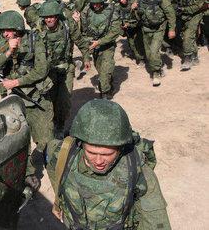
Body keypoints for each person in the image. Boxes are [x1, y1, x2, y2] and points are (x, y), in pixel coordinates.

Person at [46, 99, 171, 230]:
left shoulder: (137, 169)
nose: (99, 161)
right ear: (80, 143)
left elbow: (156, 219)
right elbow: (52, 165)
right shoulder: (64, 153)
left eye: (107, 154)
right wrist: (58, 200)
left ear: (120, 148)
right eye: (91, 152)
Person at [0, 10, 54, 189]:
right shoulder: (5, 43)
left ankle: (53, 166)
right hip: (16, 100)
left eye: (7, 30)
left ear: (16, 28)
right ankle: (29, 173)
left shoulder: (35, 40)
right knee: (19, 139)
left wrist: (16, 81)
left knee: (45, 139)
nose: (5, 34)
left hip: (36, 98)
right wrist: (9, 50)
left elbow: (41, 70)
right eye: (3, 31)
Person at [38, 1, 88, 139]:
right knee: (50, 100)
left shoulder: (68, 25)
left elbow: (80, 41)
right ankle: (51, 125)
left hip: (66, 68)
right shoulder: (38, 30)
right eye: (46, 17)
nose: (49, 19)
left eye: (52, 16)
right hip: (48, 71)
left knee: (64, 101)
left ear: (57, 16)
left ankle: (60, 125)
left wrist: (87, 57)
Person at [79, 0, 121, 99]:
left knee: (105, 71)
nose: (96, 6)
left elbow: (115, 31)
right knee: (100, 69)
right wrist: (87, 53)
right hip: (93, 46)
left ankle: (105, 94)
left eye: (99, 4)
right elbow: (83, 31)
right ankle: (108, 83)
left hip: (107, 45)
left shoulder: (112, 11)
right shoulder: (86, 11)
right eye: (94, 4)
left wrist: (100, 42)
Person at [134, 0, 176, 86]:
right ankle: (158, 66)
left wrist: (171, 29)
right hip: (146, 28)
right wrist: (133, 9)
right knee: (149, 54)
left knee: (153, 51)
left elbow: (170, 14)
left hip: (159, 28)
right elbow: (135, 15)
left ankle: (156, 72)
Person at [175, 0, 205, 70]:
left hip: (195, 15)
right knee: (187, 36)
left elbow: (198, 5)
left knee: (188, 37)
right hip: (183, 15)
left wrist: (183, 9)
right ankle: (195, 56)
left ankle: (187, 60)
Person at [115, 0, 145, 65]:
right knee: (132, 44)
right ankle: (138, 56)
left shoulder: (135, 4)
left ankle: (141, 58)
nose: (121, 1)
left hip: (137, 27)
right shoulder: (118, 6)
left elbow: (139, 18)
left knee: (139, 43)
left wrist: (136, 9)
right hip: (128, 29)